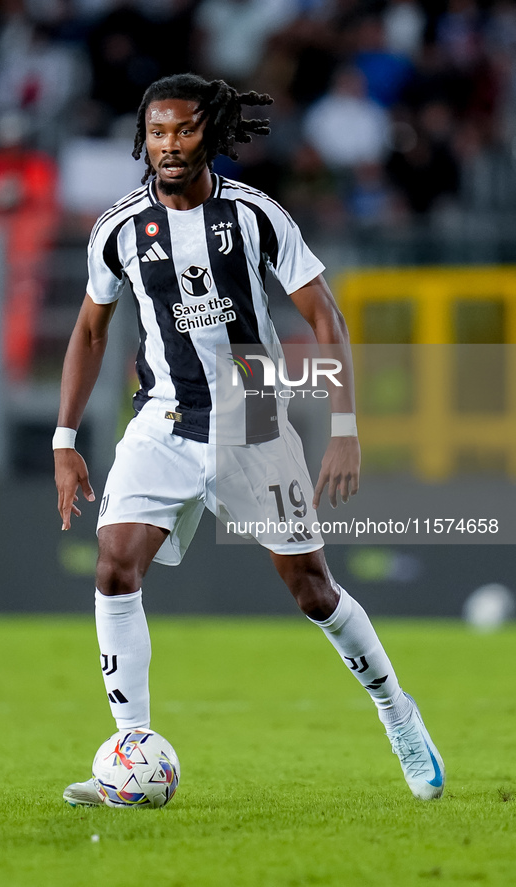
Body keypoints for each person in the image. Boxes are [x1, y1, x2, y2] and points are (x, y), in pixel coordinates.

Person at [53, 73, 444, 805]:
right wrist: (64, 439)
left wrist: (344, 429)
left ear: (212, 135)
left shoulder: (257, 216)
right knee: (113, 566)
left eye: (185, 130)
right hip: (162, 419)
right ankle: (129, 750)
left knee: (311, 590)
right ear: (144, 138)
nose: (170, 145)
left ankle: (399, 714)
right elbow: (88, 329)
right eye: (158, 131)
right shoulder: (118, 228)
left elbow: (324, 316)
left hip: (252, 418)